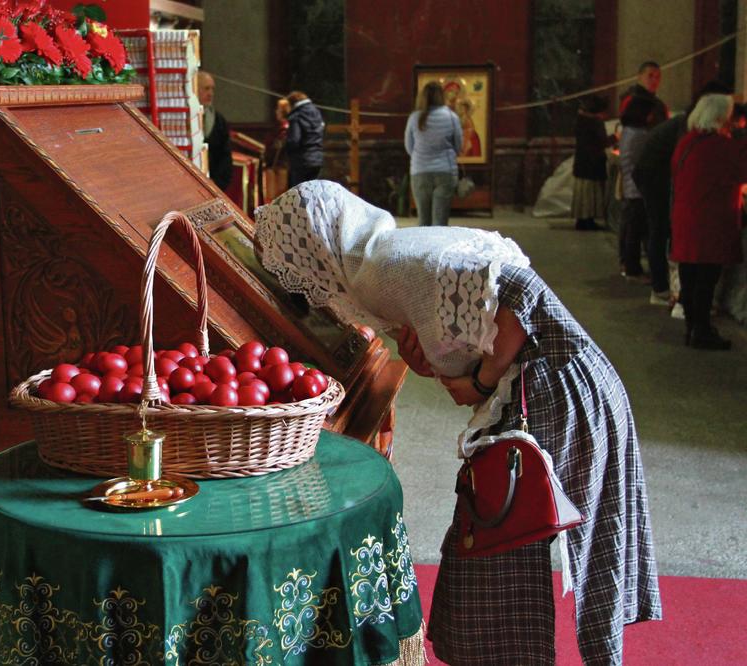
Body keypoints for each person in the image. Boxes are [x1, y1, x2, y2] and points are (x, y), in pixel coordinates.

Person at [254, 180, 661, 666]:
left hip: (555, 387)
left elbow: (519, 295)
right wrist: (442, 363)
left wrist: (484, 383)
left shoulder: (381, 269)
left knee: (496, 548)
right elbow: (467, 320)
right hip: (569, 382)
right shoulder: (382, 251)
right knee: (509, 554)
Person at [634, 81, 734, 305]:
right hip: (654, 175)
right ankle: (661, 289)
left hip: (655, 173)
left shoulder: (692, 122)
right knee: (660, 230)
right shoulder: (692, 129)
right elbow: (691, 165)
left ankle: (669, 291)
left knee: (662, 231)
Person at [670, 94, 747, 350]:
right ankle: (702, 331)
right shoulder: (719, 146)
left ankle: (693, 327)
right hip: (708, 223)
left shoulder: (688, 141)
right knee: (705, 279)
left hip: (687, 219)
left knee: (690, 277)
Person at [404, 81, 462, 226]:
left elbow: (409, 146)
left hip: (420, 172)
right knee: (440, 222)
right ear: (441, 96)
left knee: (423, 221)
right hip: (445, 172)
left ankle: (424, 248)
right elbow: (458, 145)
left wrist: (421, 157)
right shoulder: (451, 116)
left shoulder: (414, 118)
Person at [617, 96, 658, 279]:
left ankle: (628, 264)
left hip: (629, 186)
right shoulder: (640, 135)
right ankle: (632, 266)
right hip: (638, 190)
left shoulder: (627, 131)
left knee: (630, 229)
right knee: (637, 231)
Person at [571, 96, 613, 231]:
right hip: (593, 164)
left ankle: (582, 220)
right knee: (590, 194)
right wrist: (615, 138)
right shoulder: (595, 122)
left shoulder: (580, 120)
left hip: (582, 163)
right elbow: (603, 141)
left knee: (583, 194)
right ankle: (588, 220)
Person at [197, 71, 232, 191]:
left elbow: (225, 155)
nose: (210, 93)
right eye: (206, 89)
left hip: (214, 183)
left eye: (212, 89)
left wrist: (216, 182)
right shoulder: (184, 118)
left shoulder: (219, 120)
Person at [284, 90, 325, 187]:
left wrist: (285, 147)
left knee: (299, 191)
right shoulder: (317, 113)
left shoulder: (296, 116)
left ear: (292, 104)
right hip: (317, 159)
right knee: (313, 190)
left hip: (301, 160)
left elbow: (294, 140)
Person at [619, 61, 668, 126]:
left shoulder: (661, 106)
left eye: (658, 77)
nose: (654, 80)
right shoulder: (629, 100)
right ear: (639, 77)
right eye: (650, 75)